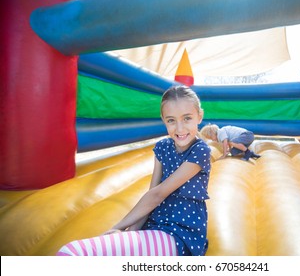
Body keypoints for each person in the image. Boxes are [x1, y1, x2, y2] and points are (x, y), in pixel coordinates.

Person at [56, 85, 211, 256]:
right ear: (163, 119)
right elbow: (151, 195)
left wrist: (118, 227)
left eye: (187, 118)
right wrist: (130, 231)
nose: (180, 128)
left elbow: (158, 194)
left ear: (199, 116)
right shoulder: (163, 147)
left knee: (71, 252)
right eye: (171, 120)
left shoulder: (200, 151)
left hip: (180, 233)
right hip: (154, 226)